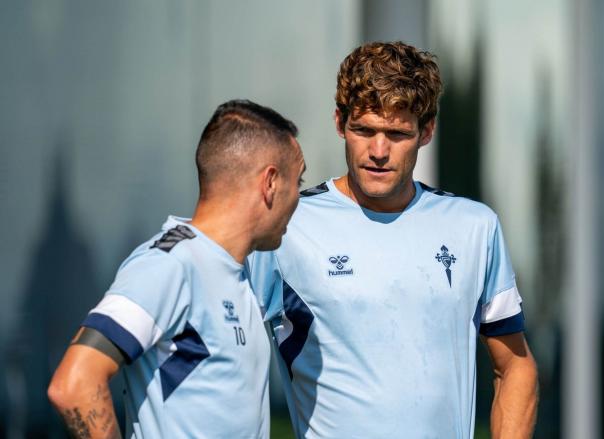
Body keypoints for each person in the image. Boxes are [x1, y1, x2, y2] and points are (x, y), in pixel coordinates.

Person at [247, 42, 538, 438]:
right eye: (363, 130)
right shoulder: (286, 226)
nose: (378, 151)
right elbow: (221, 350)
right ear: (339, 123)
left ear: (427, 131)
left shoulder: (473, 227)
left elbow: (515, 366)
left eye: (396, 134)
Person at [48, 100, 306, 438]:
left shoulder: (238, 273)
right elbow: (74, 384)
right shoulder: (169, 265)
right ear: (270, 183)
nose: (299, 197)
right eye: (298, 182)